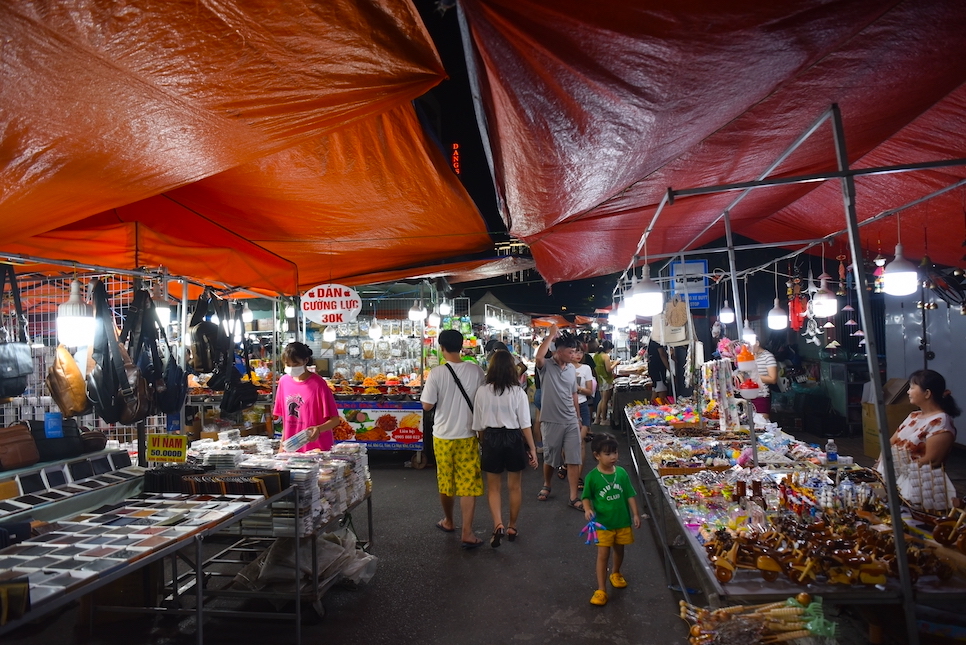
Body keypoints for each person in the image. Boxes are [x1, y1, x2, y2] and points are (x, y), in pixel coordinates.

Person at [421, 329, 487, 548]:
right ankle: (467, 532)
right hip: (468, 434)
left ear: (441, 347)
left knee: (445, 480)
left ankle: (449, 521)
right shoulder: (476, 371)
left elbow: (427, 405)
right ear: (462, 346)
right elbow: (482, 401)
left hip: (442, 436)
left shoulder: (436, 373)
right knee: (468, 484)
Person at [472, 350, 538, 547]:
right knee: (514, 486)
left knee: (493, 487)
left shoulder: (482, 391)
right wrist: (533, 449)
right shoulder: (518, 392)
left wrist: (484, 443)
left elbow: (478, 425)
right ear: (512, 369)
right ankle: (512, 526)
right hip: (512, 437)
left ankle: (497, 524)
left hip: (491, 437)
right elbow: (525, 424)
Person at [876, 369, 960, 511]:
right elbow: (890, 443)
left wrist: (897, 471)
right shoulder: (913, 416)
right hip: (893, 478)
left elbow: (931, 460)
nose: (908, 392)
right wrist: (879, 467)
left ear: (927, 393)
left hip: (919, 488)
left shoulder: (941, 421)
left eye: (912, 387)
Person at [581, 433, 640, 606]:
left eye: (615, 452)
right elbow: (586, 497)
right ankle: (601, 589)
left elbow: (630, 494)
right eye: (608, 454)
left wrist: (635, 514)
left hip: (622, 522)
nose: (613, 457)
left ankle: (615, 572)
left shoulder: (621, 473)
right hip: (603, 524)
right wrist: (587, 509)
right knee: (602, 555)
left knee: (619, 550)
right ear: (597, 455)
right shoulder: (592, 477)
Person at [534, 324, 583, 509]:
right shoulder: (545, 366)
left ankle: (573, 496)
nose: (573, 356)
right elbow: (539, 356)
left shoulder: (571, 369)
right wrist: (551, 335)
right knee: (550, 458)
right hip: (551, 420)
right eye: (570, 352)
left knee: (573, 458)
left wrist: (578, 418)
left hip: (570, 419)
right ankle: (547, 484)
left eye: (575, 352)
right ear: (559, 351)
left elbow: (574, 395)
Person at [273, 342, 340, 452]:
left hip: (316, 449)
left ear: (305, 361)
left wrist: (318, 429)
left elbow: (335, 420)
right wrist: (282, 445)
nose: (291, 368)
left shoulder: (318, 384)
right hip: (292, 449)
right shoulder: (283, 382)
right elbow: (286, 420)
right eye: (287, 364)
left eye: (295, 364)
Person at [751, 340, 779, 420]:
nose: (747, 348)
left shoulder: (768, 357)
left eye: (749, 345)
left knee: (761, 424)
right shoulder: (749, 356)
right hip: (747, 397)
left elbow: (773, 379)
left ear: (757, 343)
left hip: (761, 397)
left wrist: (754, 376)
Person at [594, 340, 619, 425]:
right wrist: (615, 363)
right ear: (608, 348)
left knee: (602, 400)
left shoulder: (596, 355)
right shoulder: (605, 356)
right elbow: (609, 369)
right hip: (606, 380)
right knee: (605, 400)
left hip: (600, 379)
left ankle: (597, 419)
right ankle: (603, 420)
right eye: (610, 349)